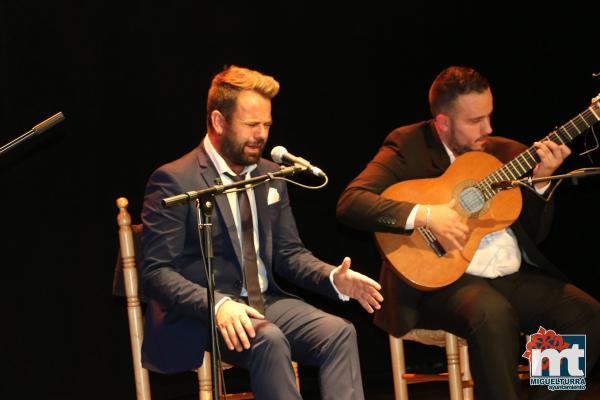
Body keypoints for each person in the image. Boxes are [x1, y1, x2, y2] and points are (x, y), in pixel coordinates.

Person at [336, 66, 600, 399]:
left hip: (508, 276)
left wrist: (542, 182)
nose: (487, 128)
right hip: (439, 281)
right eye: (475, 121)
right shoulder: (408, 145)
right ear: (443, 123)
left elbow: (535, 234)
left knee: (583, 315)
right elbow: (351, 203)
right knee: (492, 315)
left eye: (489, 116)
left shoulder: (507, 152)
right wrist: (428, 216)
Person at [140, 65, 383, 400]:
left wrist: (332, 279)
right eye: (251, 124)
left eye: (267, 124)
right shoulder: (175, 180)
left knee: (338, 333)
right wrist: (219, 305)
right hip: (204, 312)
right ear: (219, 122)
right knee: (270, 339)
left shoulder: (270, 175)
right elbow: (156, 273)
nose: (261, 134)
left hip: (265, 302)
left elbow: (289, 254)